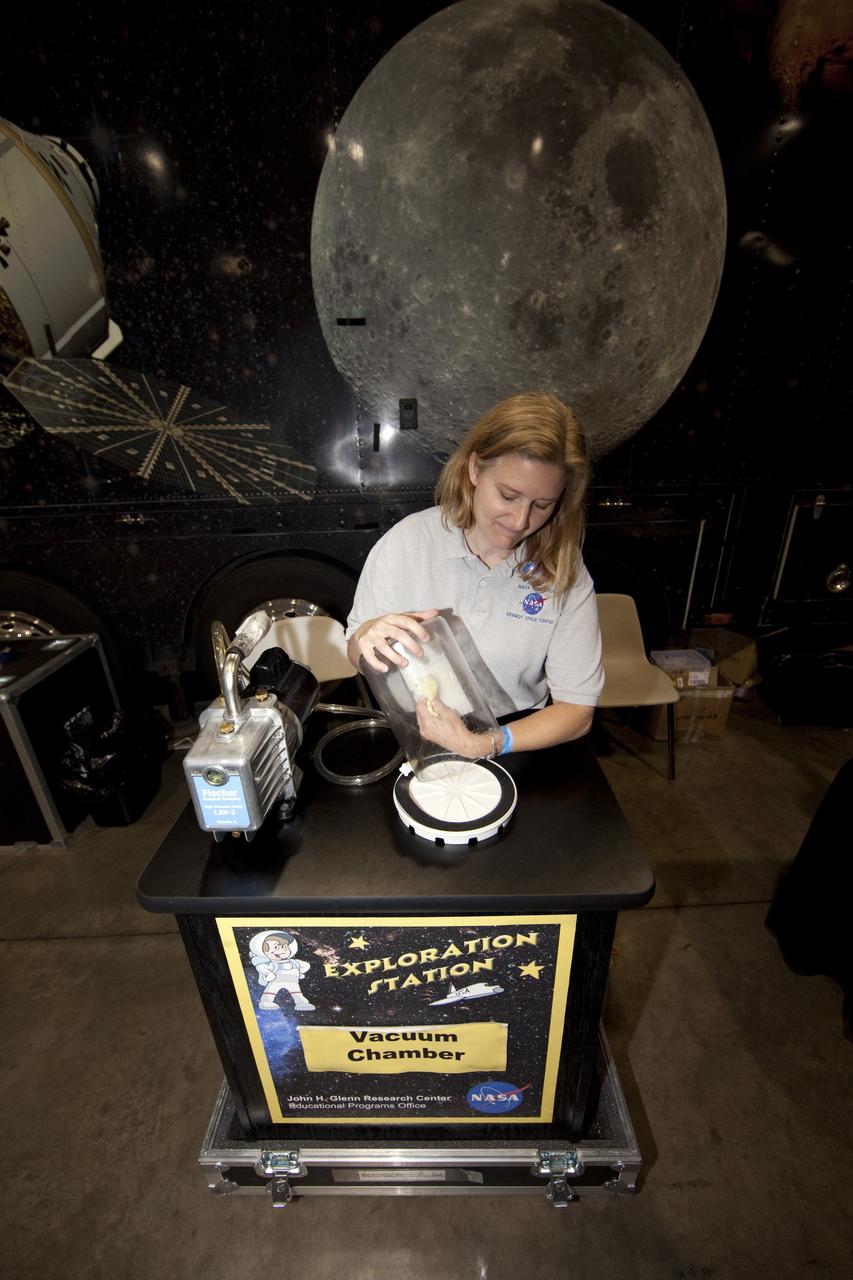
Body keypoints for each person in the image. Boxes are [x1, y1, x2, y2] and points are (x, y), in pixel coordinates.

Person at [345, 391, 603, 759]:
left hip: (518, 738)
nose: (521, 521)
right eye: (508, 495)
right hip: (417, 732)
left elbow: (577, 711)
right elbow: (356, 653)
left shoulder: (565, 571)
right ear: (475, 469)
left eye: (542, 505)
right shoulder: (405, 544)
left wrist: (488, 743)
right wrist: (366, 638)